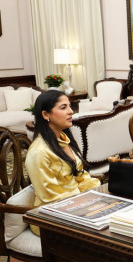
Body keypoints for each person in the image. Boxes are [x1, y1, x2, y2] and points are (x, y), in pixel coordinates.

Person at [25, 90, 100, 235]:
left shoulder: (64, 139)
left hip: (76, 206)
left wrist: (99, 192)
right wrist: (85, 202)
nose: (71, 111)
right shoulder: (38, 152)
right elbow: (50, 198)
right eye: (63, 107)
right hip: (50, 218)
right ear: (45, 115)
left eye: (70, 106)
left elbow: (80, 177)